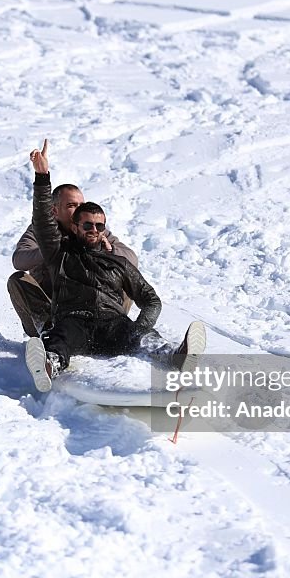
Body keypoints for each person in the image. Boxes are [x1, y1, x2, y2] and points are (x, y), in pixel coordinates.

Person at [21, 139, 205, 393]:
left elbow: (151, 300)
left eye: (99, 226)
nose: (94, 230)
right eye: (87, 225)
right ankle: (49, 364)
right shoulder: (60, 253)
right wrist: (42, 177)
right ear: (75, 226)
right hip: (75, 322)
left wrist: (138, 329)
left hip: (112, 324)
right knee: (60, 337)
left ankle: (177, 356)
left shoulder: (117, 261)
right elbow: (42, 221)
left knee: (146, 338)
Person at [8, 180, 138, 337]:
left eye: (81, 204)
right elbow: (19, 260)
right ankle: (48, 331)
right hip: (52, 310)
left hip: (95, 310)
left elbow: (132, 259)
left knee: (124, 273)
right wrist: (51, 249)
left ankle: (119, 328)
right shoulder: (40, 230)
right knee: (18, 279)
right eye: (72, 206)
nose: (80, 210)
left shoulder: (93, 229)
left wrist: (110, 251)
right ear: (54, 211)